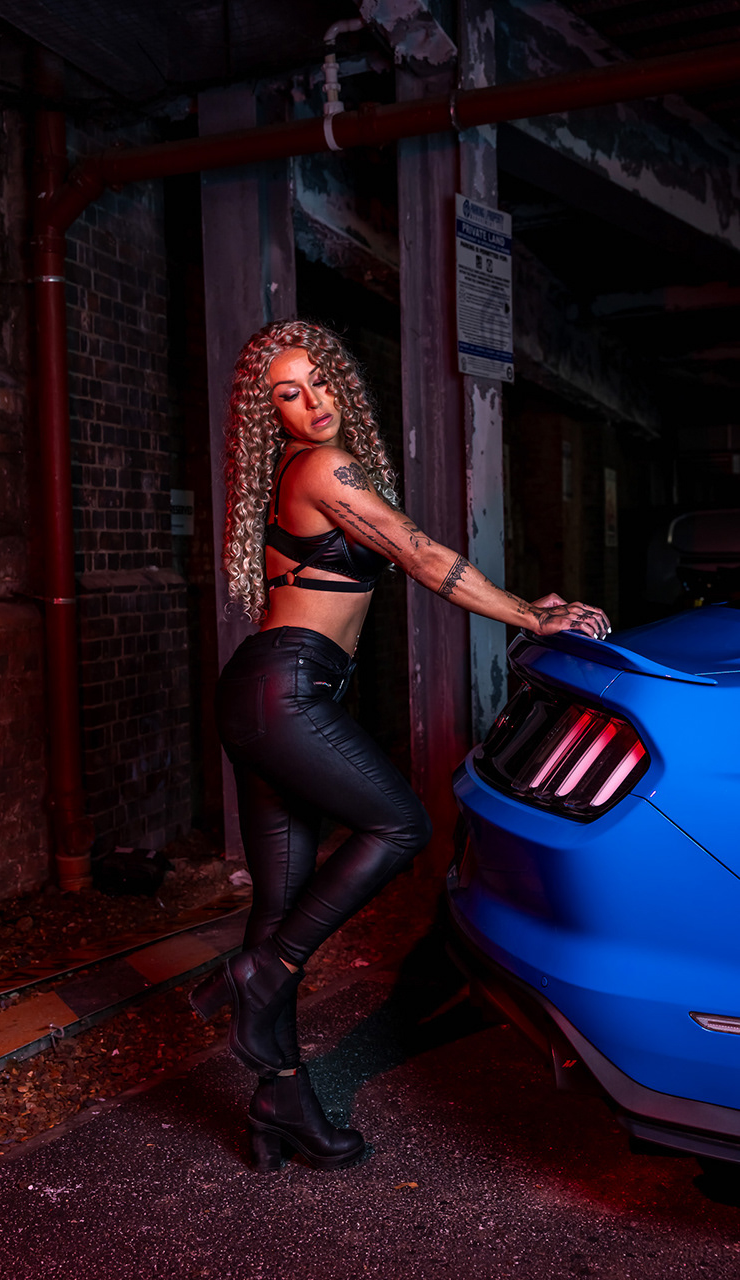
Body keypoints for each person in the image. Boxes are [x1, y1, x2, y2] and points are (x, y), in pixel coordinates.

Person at [190, 319, 610, 1172]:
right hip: (284, 690)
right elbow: (420, 557)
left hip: (264, 692)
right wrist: (531, 616)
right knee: (400, 826)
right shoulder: (321, 468)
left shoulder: (295, 471)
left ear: (340, 380)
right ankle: (263, 970)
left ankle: (278, 1101)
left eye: (319, 381)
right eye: (288, 394)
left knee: (278, 904)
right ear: (271, 413)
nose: (311, 403)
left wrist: (525, 607)